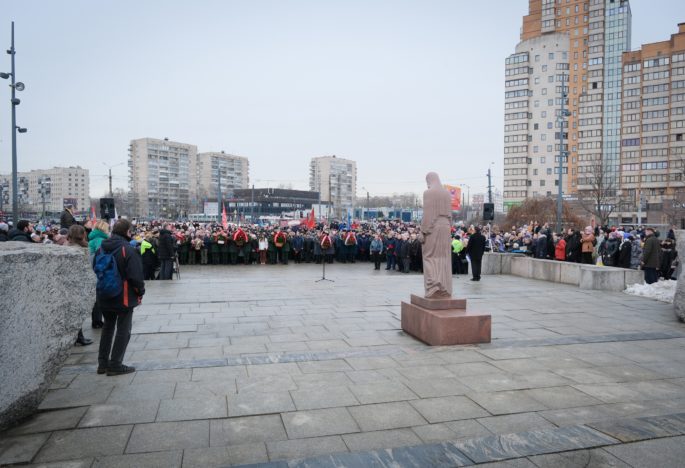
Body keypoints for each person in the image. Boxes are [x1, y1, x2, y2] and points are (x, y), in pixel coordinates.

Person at [96, 218, 145, 376]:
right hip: (123, 294)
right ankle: (115, 364)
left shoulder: (102, 247)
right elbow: (136, 276)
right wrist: (140, 291)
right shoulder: (127, 249)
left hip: (104, 293)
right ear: (127, 232)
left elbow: (95, 267)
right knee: (124, 329)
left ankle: (102, 363)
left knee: (108, 327)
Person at [419, 172, 453, 296]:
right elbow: (450, 215)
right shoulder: (447, 193)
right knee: (444, 258)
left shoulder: (428, 193)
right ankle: (445, 287)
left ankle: (433, 286)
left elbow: (428, 214)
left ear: (429, 180)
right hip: (446, 228)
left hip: (433, 228)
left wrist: (423, 231)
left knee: (429, 256)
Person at [66, 225, 94, 346]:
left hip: (69, 285)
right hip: (78, 285)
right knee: (77, 312)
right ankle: (78, 336)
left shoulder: (66, 247)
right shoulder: (83, 249)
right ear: (83, 234)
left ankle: (78, 336)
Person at [88, 220, 111, 328]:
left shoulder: (93, 239)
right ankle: (97, 321)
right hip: (97, 271)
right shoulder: (100, 240)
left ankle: (97, 319)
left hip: (91, 269)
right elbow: (101, 257)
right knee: (99, 298)